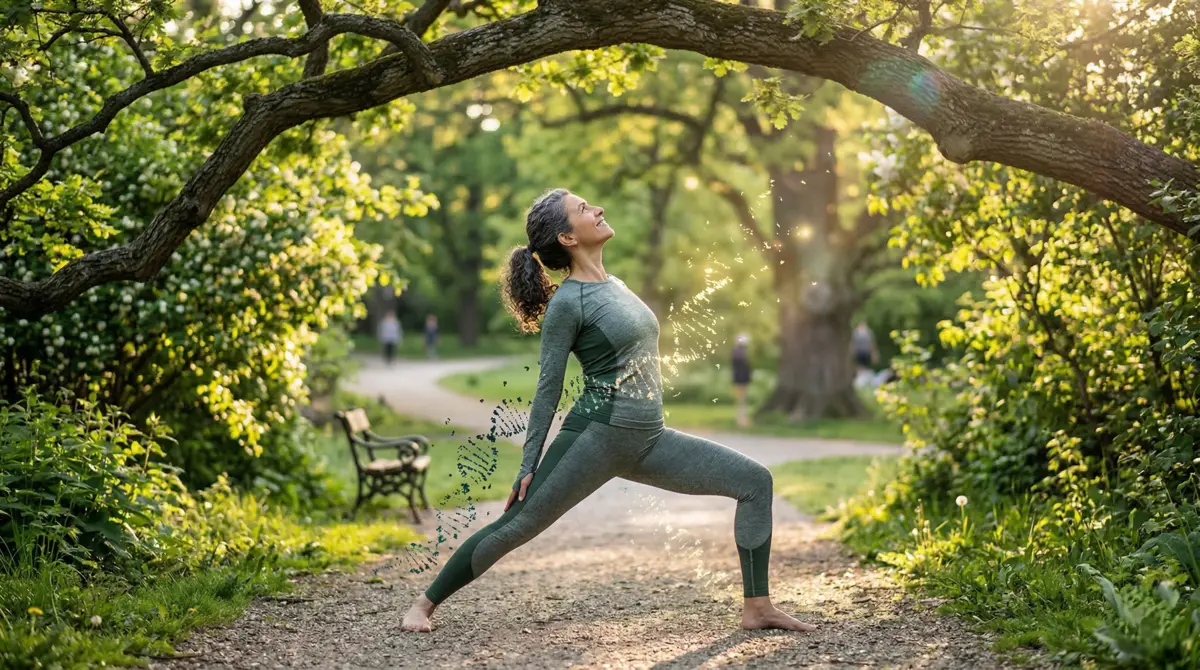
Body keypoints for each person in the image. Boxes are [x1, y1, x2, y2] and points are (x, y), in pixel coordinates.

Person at [401, 188, 816, 634]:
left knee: (754, 482)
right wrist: (529, 463)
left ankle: (757, 607)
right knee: (515, 526)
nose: (597, 209)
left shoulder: (615, 285)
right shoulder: (568, 303)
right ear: (567, 238)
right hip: (596, 437)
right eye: (583, 209)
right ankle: (422, 606)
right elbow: (548, 385)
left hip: (649, 438)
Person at [731, 333, 752, 428]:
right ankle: (741, 420)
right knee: (742, 400)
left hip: (739, 379)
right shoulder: (740, 354)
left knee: (742, 400)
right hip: (741, 380)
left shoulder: (737, 353)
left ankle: (742, 419)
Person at [851, 320, 878, 387]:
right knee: (860, 367)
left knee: (865, 367)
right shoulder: (855, 332)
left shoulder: (868, 332)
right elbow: (852, 343)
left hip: (866, 352)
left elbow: (872, 343)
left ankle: (865, 381)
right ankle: (860, 382)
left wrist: (874, 353)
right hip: (859, 352)